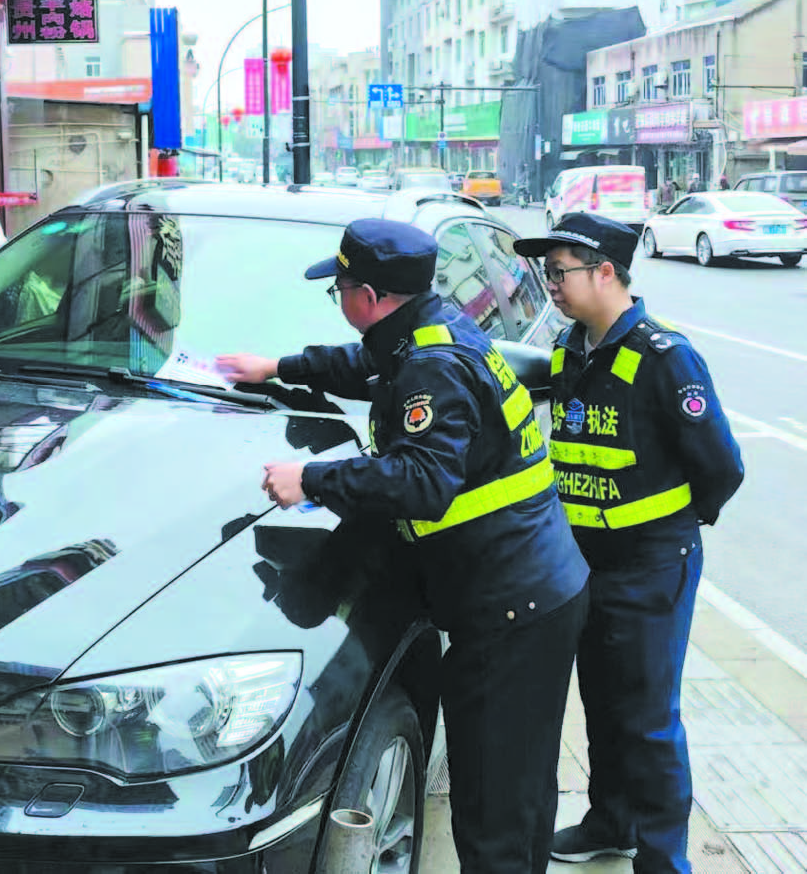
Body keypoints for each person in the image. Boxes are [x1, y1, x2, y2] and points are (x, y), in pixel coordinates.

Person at [216, 220, 590, 874]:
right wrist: (276, 367)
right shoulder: (426, 329)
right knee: (519, 784)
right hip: (534, 588)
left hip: (510, 609)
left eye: (338, 288)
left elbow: (423, 481)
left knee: (492, 799)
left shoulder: (432, 368)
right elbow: (363, 363)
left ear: (368, 296)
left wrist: (311, 478)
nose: (337, 298)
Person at [513, 213, 744, 873]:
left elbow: (721, 467)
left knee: (647, 718)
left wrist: (665, 531)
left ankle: (663, 858)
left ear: (605, 272)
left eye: (559, 272)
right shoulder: (570, 349)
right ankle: (610, 821)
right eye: (546, 273)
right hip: (585, 564)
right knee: (603, 703)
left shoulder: (665, 358)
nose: (550, 285)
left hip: (651, 566)